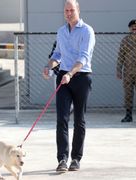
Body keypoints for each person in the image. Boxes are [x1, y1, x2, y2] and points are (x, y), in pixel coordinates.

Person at [43, 0, 95, 172]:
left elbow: (83, 57)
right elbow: (57, 53)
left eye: (71, 10)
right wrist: (49, 65)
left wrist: (70, 74)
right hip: (63, 78)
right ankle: (62, 159)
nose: (68, 13)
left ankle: (76, 159)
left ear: (78, 10)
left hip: (80, 78)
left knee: (79, 120)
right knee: (61, 119)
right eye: (66, 10)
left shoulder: (87, 31)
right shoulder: (61, 31)